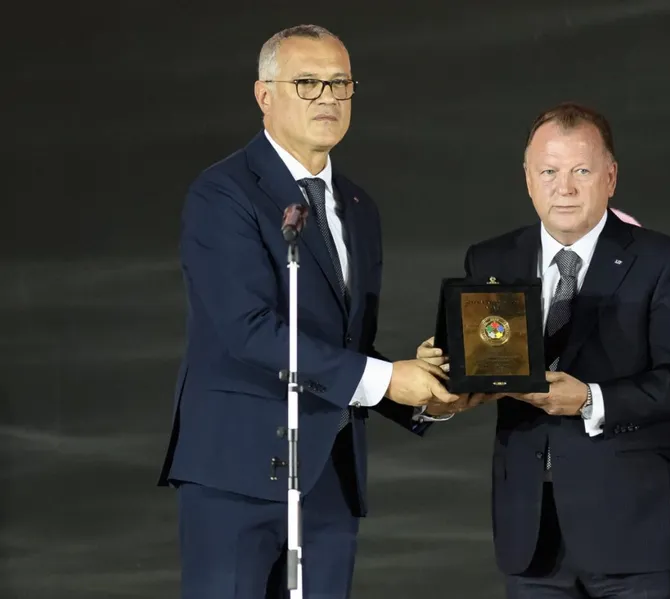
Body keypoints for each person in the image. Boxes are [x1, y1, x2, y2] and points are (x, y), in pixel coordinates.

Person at [157, 24, 457, 599]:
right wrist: (387, 379)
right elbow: (249, 331)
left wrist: (425, 395)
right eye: (308, 83)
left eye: (341, 83)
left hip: (329, 479)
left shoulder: (359, 207)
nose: (328, 98)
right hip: (237, 476)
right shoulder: (224, 193)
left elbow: (344, 348)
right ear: (264, 95)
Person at [419, 102, 670, 598]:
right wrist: (443, 377)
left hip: (636, 533)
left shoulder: (661, 260)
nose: (565, 188)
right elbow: (480, 365)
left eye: (582, 171)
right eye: (549, 172)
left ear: (610, 177)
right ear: (528, 179)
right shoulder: (491, 258)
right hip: (532, 536)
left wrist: (590, 400)